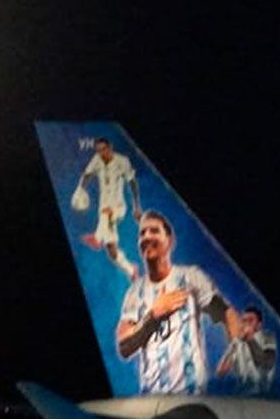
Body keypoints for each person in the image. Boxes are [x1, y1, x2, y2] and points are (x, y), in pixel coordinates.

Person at [115, 210, 244, 394]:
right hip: (152, 402)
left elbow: (226, 313)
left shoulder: (190, 277)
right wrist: (152, 316)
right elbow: (124, 347)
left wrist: (234, 353)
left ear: (170, 241)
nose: (146, 237)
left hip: (192, 399)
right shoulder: (134, 293)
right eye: (142, 233)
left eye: (154, 231)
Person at [74, 136, 142, 279]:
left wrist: (136, 206)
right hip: (103, 209)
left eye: (104, 149)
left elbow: (133, 182)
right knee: (112, 251)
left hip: (118, 207)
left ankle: (97, 238)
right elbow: (87, 174)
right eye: (98, 150)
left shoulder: (122, 161)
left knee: (107, 213)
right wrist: (79, 188)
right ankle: (131, 271)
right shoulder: (97, 160)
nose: (101, 153)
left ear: (110, 148)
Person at [216, 305, 278, 392]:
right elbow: (220, 371)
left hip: (263, 394)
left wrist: (250, 340)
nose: (247, 324)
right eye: (244, 321)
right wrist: (232, 348)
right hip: (242, 393)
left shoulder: (267, 338)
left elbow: (267, 363)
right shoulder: (237, 344)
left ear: (259, 325)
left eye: (250, 320)